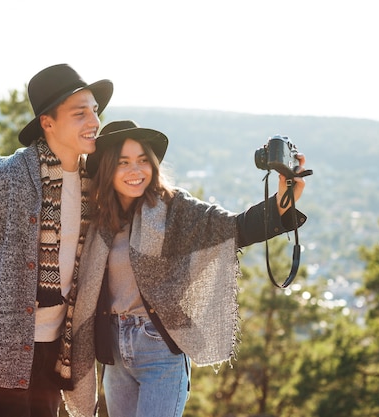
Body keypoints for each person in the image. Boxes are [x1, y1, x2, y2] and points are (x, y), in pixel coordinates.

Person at [63, 120, 308, 417]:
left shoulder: (173, 207)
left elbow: (232, 227)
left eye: (143, 160)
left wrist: (284, 201)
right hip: (114, 353)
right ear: (107, 168)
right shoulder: (97, 218)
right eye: (123, 162)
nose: (135, 170)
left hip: (159, 351)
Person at [0, 64, 113, 417]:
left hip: (59, 353)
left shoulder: (96, 182)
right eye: (80, 113)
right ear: (48, 123)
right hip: (1, 354)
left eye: (95, 111)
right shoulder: (4, 179)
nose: (93, 121)